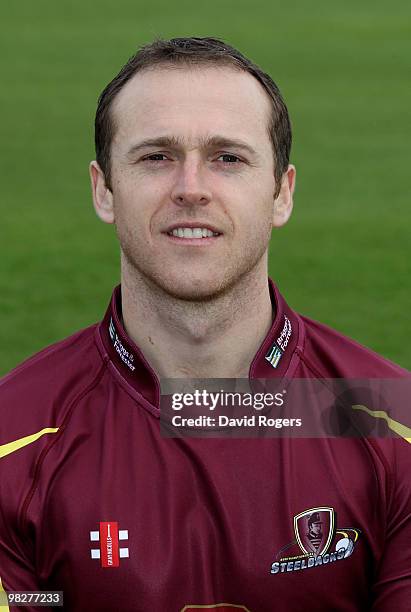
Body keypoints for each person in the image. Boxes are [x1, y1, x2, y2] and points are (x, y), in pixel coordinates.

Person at [0, 36, 410, 612]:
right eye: (156, 157)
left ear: (280, 194)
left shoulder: (393, 430)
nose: (191, 188)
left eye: (228, 158)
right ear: (104, 190)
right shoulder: (12, 443)